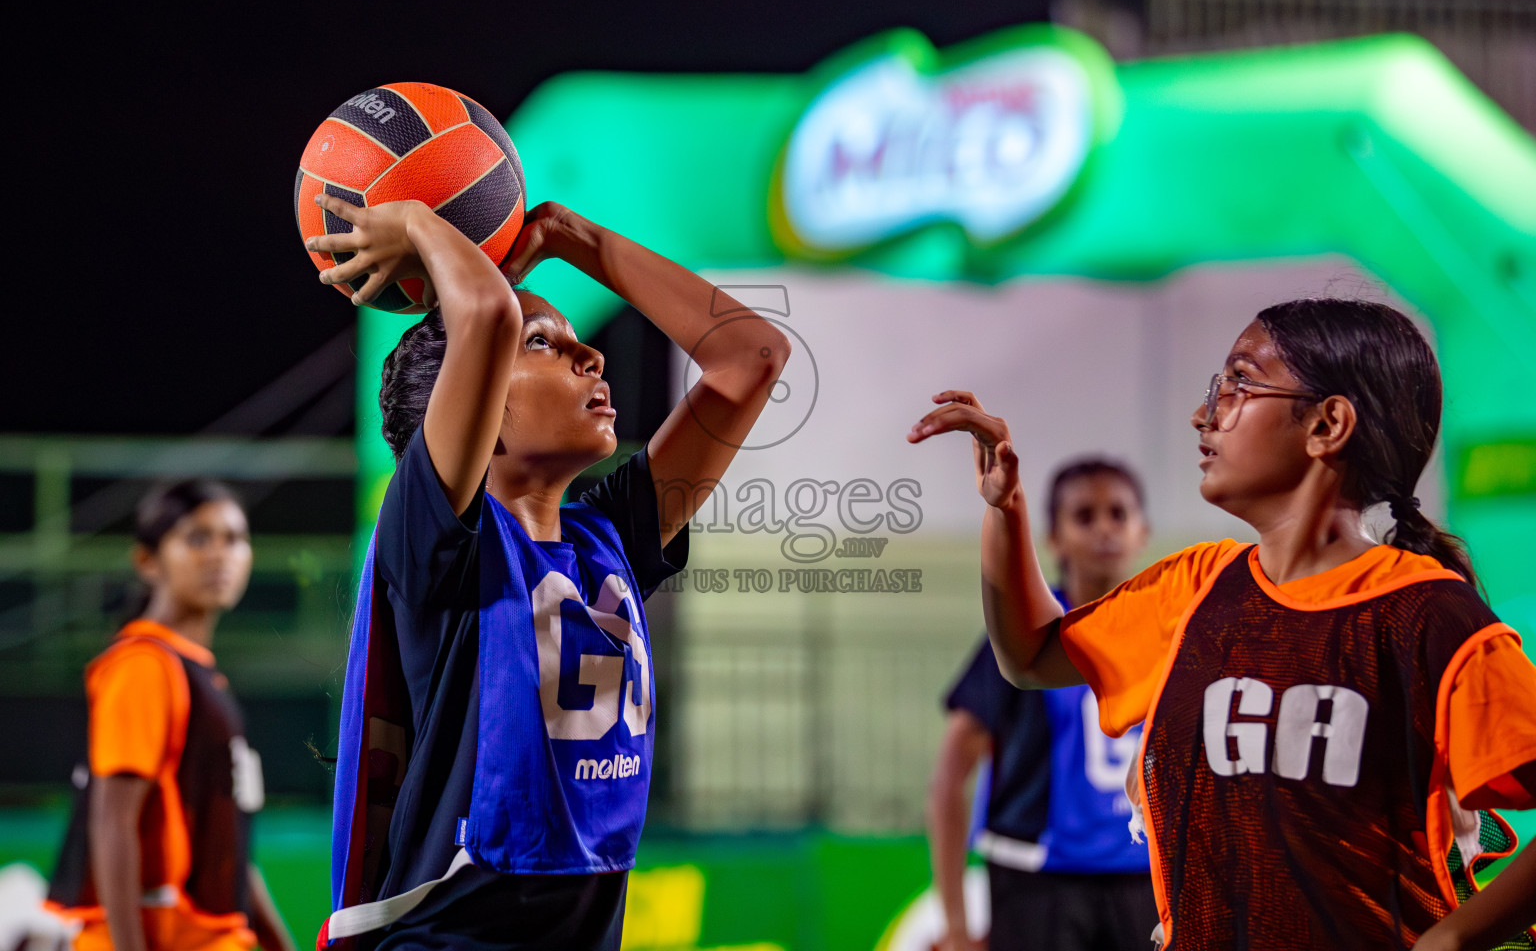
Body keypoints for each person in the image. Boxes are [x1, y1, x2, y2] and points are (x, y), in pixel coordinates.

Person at [908, 299, 1536, 951]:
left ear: (1328, 424)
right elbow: (1030, 654)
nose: (1204, 413)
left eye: (1238, 382)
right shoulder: (1196, 587)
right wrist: (1004, 509)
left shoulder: (1427, 617)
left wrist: (1452, 939)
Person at [305, 193, 788, 950]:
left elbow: (751, 357)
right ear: (470, 403)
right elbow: (487, 318)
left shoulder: (610, 541)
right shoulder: (432, 536)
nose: (589, 355)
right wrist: (418, 223)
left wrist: (577, 239)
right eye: (544, 344)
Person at [46, 480, 295, 951]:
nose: (220, 554)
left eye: (235, 539)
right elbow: (112, 820)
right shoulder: (143, 665)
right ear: (148, 561)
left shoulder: (199, 675)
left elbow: (228, 849)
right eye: (198, 538)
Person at [928, 458, 1157, 951]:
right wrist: (956, 926)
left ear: (1144, 531)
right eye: (1085, 515)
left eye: (1118, 513)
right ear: (1053, 537)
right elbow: (949, 779)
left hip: (1146, 879)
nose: (1104, 529)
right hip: (1035, 881)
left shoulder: (1172, 631)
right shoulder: (1019, 644)